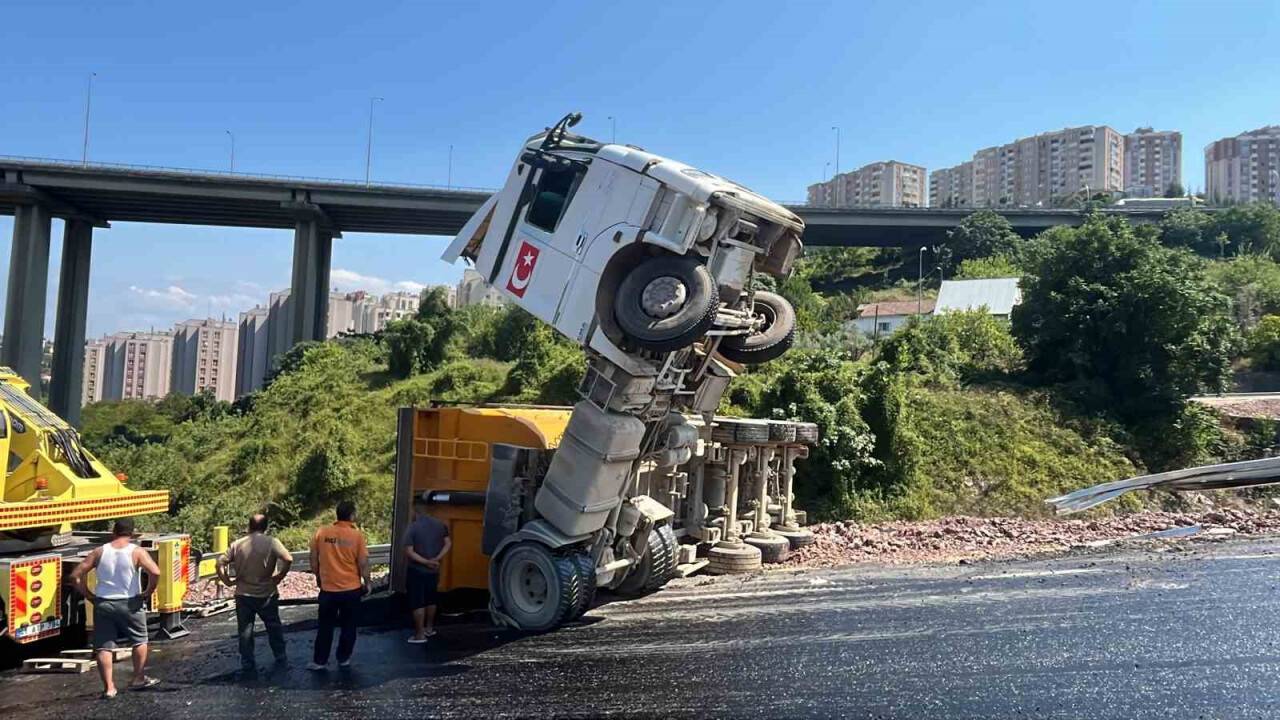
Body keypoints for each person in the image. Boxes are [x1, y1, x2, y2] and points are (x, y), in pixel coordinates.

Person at [70, 518, 162, 699]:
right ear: (132, 533)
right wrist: (148, 591)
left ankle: (109, 688)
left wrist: (89, 595)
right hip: (130, 603)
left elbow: (75, 576)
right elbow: (156, 572)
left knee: (104, 646)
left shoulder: (99, 552)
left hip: (104, 603)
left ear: (113, 531)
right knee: (139, 640)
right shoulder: (136, 551)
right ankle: (139, 678)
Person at [217, 513, 293, 674]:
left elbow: (220, 563)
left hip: (243, 594)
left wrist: (227, 581)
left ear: (249, 526)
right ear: (266, 527)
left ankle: (247, 662)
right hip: (267, 593)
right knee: (273, 627)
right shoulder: (272, 542)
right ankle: (280, 656)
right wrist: (280, 576)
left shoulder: (237, 544)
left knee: (245, 631)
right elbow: (288, 559)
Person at [307, 500, 370, 670]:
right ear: (352, 515)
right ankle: (343, 658)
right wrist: (368, 582)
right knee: (349, 626)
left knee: (325, 626)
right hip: (351, 589)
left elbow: (313, 557)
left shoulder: (322, 532)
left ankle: (320, 661)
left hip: (328, 589)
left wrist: (318, 576)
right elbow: (363, 562)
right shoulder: (356, 536)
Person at [403, 496, 452, 643]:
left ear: (414, 509)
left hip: (417, 570)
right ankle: (429, 628)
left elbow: (409, 551)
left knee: (417, 602)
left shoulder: (413, 527)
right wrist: (436, 559)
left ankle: (420, 635)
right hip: (434, 570)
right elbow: (448, 543)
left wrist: (425, 562)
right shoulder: (440, 525)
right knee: (431, 599)